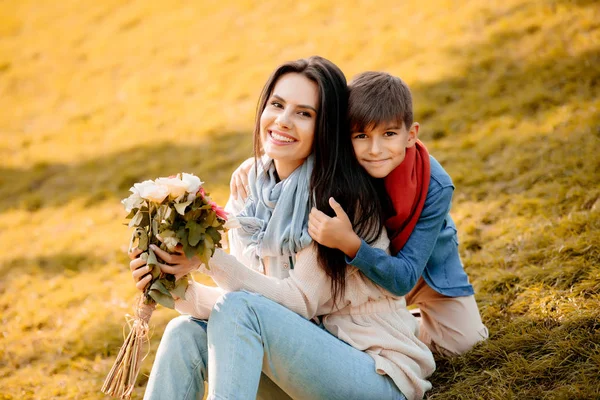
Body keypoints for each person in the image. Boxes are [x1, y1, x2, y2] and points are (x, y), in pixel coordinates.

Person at [130, 57, 435, 400]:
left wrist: (206, 257)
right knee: (183, 333)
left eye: (304, 113)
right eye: (277, 105)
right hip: (304, 363)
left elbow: (295, 302)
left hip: (374, 373)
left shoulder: (337, 199)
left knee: (240, 310)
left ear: (326, 128)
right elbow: (249, 301)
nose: (283, 121)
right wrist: (173, 284)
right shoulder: (250, 182)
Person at [306, 71, 489, 356]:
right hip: (363, 275)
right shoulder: (342, 165)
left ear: (410, 135)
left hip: (421, 270)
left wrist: (349, 243)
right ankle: (390, 322)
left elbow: (405, 276)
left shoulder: (436, 185)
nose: (375, 150)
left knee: (464, 344)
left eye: (389, 134)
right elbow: (295, 150)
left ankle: (406, 323)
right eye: (361, 135)